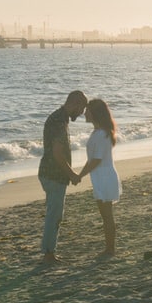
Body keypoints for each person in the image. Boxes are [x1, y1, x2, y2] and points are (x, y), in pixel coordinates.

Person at [38, 90, 87, 265]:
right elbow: (58, 154)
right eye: (81, 109)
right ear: (75, 104)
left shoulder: (60, 118)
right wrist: (71, 174)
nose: (81, 114)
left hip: (50, 173)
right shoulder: (59, 121)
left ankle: (48, 252)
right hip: (53, 174)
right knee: (54, 215)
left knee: (54, 213)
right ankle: (48, 254)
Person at [76, 98, 122, 258]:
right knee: (106, 215)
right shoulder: (98, 132)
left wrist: (79, 175)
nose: (84, 113)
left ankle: (110, 249)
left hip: (104, 176)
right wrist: (80, 174)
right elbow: (93, 160)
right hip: (101, 176)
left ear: (95, 113)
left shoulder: (102, 134)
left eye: (87, 110)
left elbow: (96, 160)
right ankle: (109, 248)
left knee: (107, 215)